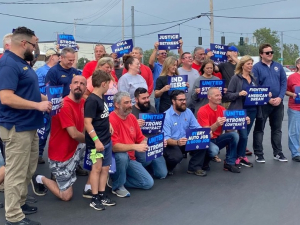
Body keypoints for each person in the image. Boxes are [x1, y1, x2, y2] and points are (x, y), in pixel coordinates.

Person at [0, 26, 52, 225]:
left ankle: (20, 203)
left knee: (28, 169)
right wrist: (38, 105)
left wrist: (45, 99)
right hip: (17, 127)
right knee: (15, 171)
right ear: (24, 44)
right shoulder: (8, 64)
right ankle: (13, 217)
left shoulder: (21, 63)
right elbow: (6, 97)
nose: (35, 47)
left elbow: (24, 92)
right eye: (34, 43)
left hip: (29, 125)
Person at [31, 76, 88, 203]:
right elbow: (73, 134)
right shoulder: (64, 105)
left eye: (82, 84)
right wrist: (93, 141)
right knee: (66, 196)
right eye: (76, 83)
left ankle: (90, 187)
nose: (79, 85)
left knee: (100, 151)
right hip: (60, 157)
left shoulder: (84, 103)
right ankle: (40, 178)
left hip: (75, 149)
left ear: (85, 88)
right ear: (70, 86)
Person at [109, 92, 154, 198]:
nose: (130, 105)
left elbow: (140, 138)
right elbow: (114, 147)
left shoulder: (132, 117)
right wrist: (135, 146)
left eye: (130, 102)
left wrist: (149, 142)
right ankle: (117, 185)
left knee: (148, 183)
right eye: (126, 103)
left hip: (131, 158)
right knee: (122, 156)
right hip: (117, 159)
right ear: (117, 104)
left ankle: (118, 179)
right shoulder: (111, 119)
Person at [226, 55, 267, 168]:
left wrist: (265, 95)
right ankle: (236, 156)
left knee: (245, 135)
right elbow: (228, 95)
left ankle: (240, 156)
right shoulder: (236, 78)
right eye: (248, 64)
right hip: (240, 110)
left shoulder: (253, 79)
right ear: (242, 65)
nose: (250, 66)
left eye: (251, 64)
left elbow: (257, 93)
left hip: (252, 110)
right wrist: (239, 94)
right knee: (243, 135)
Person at [84, 70, 116, 210]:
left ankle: (102, 194)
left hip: (106, 140)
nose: (110, 86)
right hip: (96, 143)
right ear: (103, 83)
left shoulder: (101, 97)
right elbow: (87, 123)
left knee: (105, 168)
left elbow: (101, 115)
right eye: (109, 84)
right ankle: (94, 196)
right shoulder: (91, 100)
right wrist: (96, 141)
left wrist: (108, 124)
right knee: (96, 169)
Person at [198, 88, 248, 173]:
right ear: (209, 97)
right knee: (214, 150)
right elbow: (206, 133)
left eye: (220, 95)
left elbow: (228, 130)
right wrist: (216, 124)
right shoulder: (202, 110)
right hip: (205, 140)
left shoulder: (222, 109)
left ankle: (229, 163)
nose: (220, 97)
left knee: (234, 135)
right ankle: (204, 160)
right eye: (217, 95)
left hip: (217, 138)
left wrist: (241, 121)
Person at [252, 43, 287, 163]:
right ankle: (258, 154)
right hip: (263, 103)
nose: (270, 54)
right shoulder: (256, 68)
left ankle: (278, 152)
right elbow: (255, 85)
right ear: (261, 54)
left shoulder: (278, 66)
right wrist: (267, 98)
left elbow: (283, 83)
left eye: (271, 52)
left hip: (278, 103)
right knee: (259, 129)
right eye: (267, 53)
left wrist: (280, 97)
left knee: (277, 129)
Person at [162, 90, 208, 176]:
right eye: (181, 100)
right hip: (172, 143)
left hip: (186, 140)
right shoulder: (166, 116)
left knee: (203, 141)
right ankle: (169, 166)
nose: (184, 102)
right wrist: (177, 142)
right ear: (173, 101)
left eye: (184, 99)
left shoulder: (188, 111)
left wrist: (205, 133)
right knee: (176, 157)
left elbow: (196, 127)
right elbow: (166, 138)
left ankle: (194, 167)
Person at [131, 87, 168, 179]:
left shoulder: (152, 108)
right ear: (136, 99)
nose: (147, 100)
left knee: (162, 174)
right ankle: (140, 169)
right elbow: (128, 133)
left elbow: (157, 128)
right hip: (140, 144)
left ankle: (149, 169)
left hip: (153, 143)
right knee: (145, 160)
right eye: (143, 98)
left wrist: (161, 139)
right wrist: (135, 125)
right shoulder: (131, 112)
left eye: (148, 97)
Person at [35, 49, 60, 164]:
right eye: (57, 55)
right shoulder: (41, 71)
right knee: (43, 131)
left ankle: (56, 156)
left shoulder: (57, 70)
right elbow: (35, 89)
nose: (59, 57)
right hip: (45, 105)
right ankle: (38, 154)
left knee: (57, 132)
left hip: (56, 104)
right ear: (51, 57)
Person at [286, 57, 300, 162]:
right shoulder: (292, 77)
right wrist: (293, 94)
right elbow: (286, 91)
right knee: (294, 131)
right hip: (295, 108)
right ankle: (295, 153)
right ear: (298, 65)